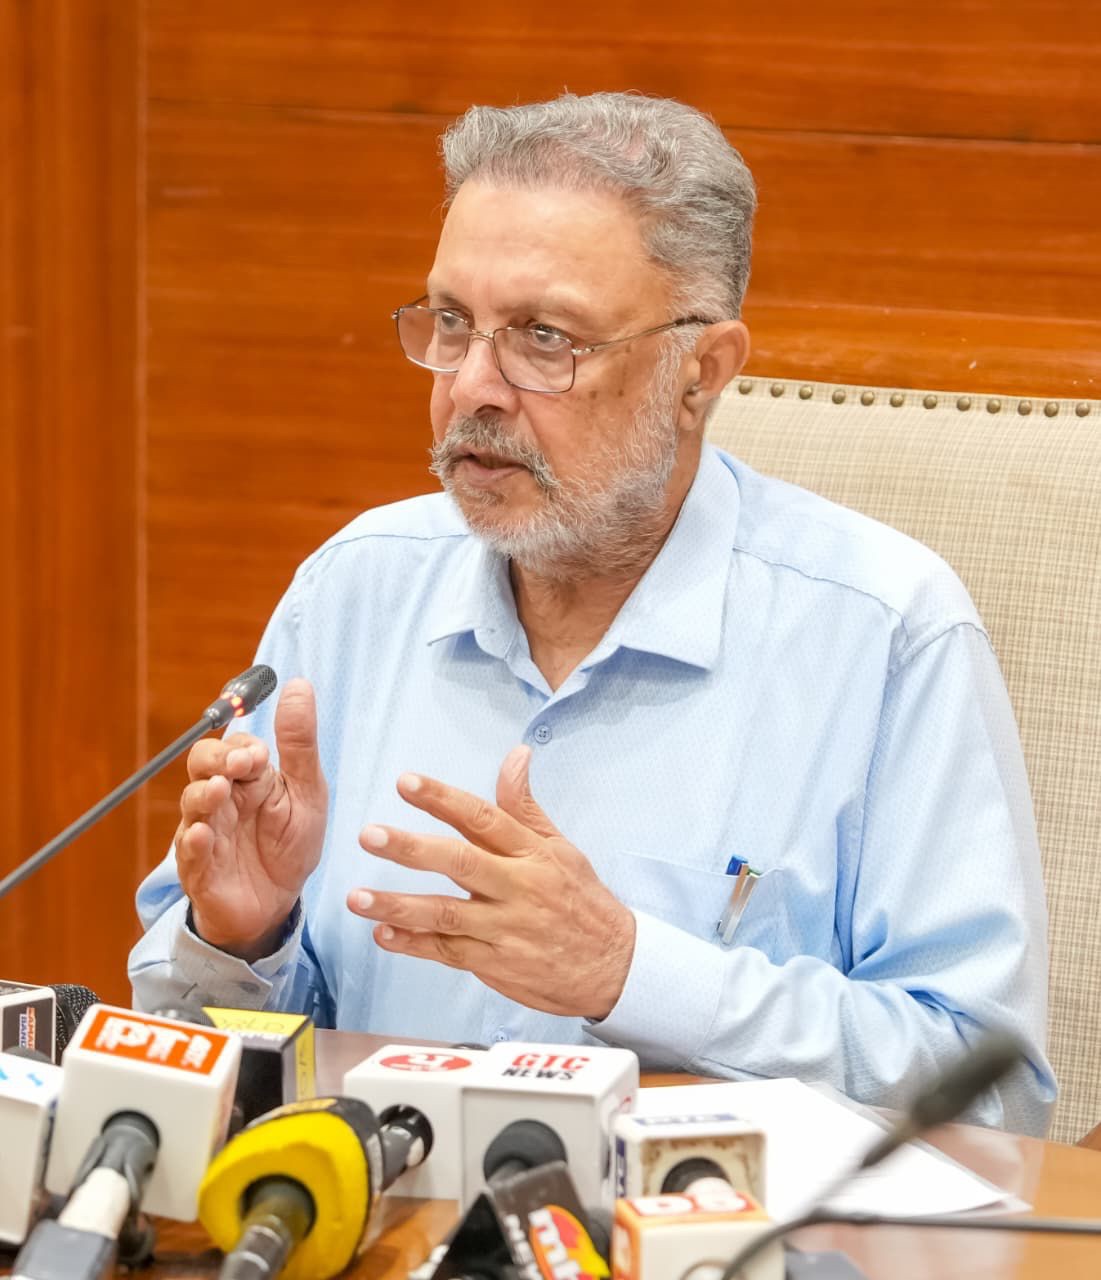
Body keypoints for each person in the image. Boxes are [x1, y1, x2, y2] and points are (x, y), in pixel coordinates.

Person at [129, 91, 1055, 1134]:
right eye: (450, 323)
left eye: (543, 337)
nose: (471, 387)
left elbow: (992, 1092)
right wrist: (243, 939)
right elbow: (187, 1061)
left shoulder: (884, 630)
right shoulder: (354, 590)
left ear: (700, 373)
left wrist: (631, 971)